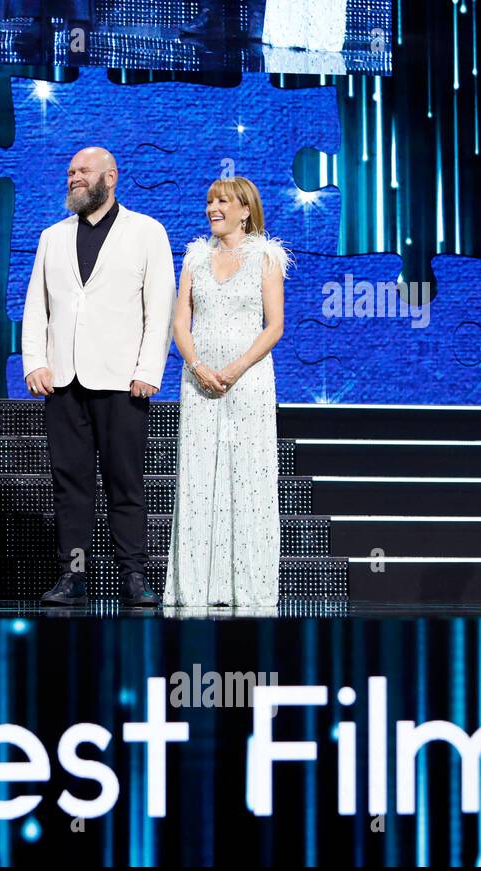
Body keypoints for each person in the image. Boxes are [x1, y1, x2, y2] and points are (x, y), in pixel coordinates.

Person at [22, 146, 175, 608]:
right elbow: (36, 306)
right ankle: (73, 576)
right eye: (70, 172)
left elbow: (160, 308)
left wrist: (149, 369)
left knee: (125, 480)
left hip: (122, 380)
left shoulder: (147, 231)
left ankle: (133, 574)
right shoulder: (52, 235)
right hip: (64, 380)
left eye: (83, 171)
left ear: (111, 176)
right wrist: (35, 361)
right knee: (70, 483)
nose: (73, 177)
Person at [164, 176, 286, 608]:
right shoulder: (195, 258)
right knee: (199, 477)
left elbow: (274, 326)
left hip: (248, 380)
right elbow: (181, 323)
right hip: (199, 382)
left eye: (222, 202)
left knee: (247, 476)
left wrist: (234, 369)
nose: (213, 208)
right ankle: (198, 587)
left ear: (245, 211)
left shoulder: (266, 258)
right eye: (210, 201)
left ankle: (247, 587)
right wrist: (197, 366)